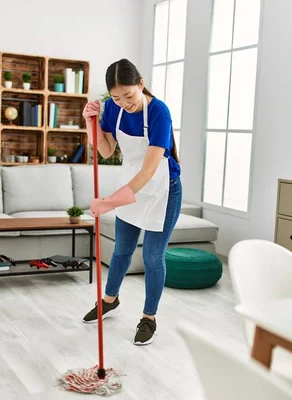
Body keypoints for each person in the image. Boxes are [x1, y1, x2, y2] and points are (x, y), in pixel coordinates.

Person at [81, 59, 182, 346]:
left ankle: (149, 318)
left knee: (152, 257)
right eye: (116, 97)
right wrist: (91, 124)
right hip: (130, 185)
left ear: (140, 83)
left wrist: (110, 202)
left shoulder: (159, 112)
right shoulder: (113, 107)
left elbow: (149, 171)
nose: (124, 103)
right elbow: (106, 149)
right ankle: (110, 300)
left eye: (129, 95)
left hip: (163, 189)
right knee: (121, 251)